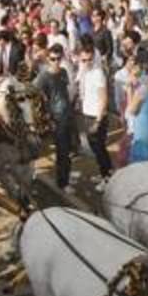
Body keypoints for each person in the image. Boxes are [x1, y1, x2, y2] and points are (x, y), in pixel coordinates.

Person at [35, 46, 74, 188]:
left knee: (69, 150)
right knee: (62, 152)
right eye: (52, 59)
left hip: (68, 115)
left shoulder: (63, 72)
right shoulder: (43, 77)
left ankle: (67, 177)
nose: (56, 62)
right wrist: (46, 114)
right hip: (56, 120)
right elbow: (34, 93)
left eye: (58, 59)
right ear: (48, 59)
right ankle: (62, 183)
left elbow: (67, 92)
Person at [76, 44, 111, 188]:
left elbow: (104, 98)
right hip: (87, 113)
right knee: (95, 147)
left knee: (99, 147)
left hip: (96, 116)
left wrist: (98, 120)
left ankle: (107, 176)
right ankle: (105, 173)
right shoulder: (83, 72)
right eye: (83, 60)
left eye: (89, 59)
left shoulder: (98, 73)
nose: (86, 63)